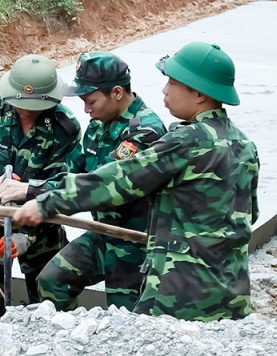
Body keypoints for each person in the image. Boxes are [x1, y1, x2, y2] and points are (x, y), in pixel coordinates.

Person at [14, 42, 260, 321]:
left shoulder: (185, 141)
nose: (165, 90)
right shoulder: (244, 144)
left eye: (173, 82)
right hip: (232, 293)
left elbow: (119, 180)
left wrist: (47, 202)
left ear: (199, 94)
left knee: (132, 334)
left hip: (180, 295)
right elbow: (249, 213)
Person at [15, 52, 167, 311]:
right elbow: (73, 173)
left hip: (136, 242)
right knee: (52, 281)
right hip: (104, 234)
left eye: (91, 100)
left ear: (117, 92)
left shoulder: (145, 132)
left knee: (124, 316)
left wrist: (33, 192)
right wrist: (32, 193)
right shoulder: (97, 126)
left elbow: (103, 187)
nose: (86, 109)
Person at [0, 54, 81, 325]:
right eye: (21, 105)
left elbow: (67, 182)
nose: (27, 111)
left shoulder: (65, 128)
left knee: (53, 309)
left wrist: (28, 194)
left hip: (44, 226)